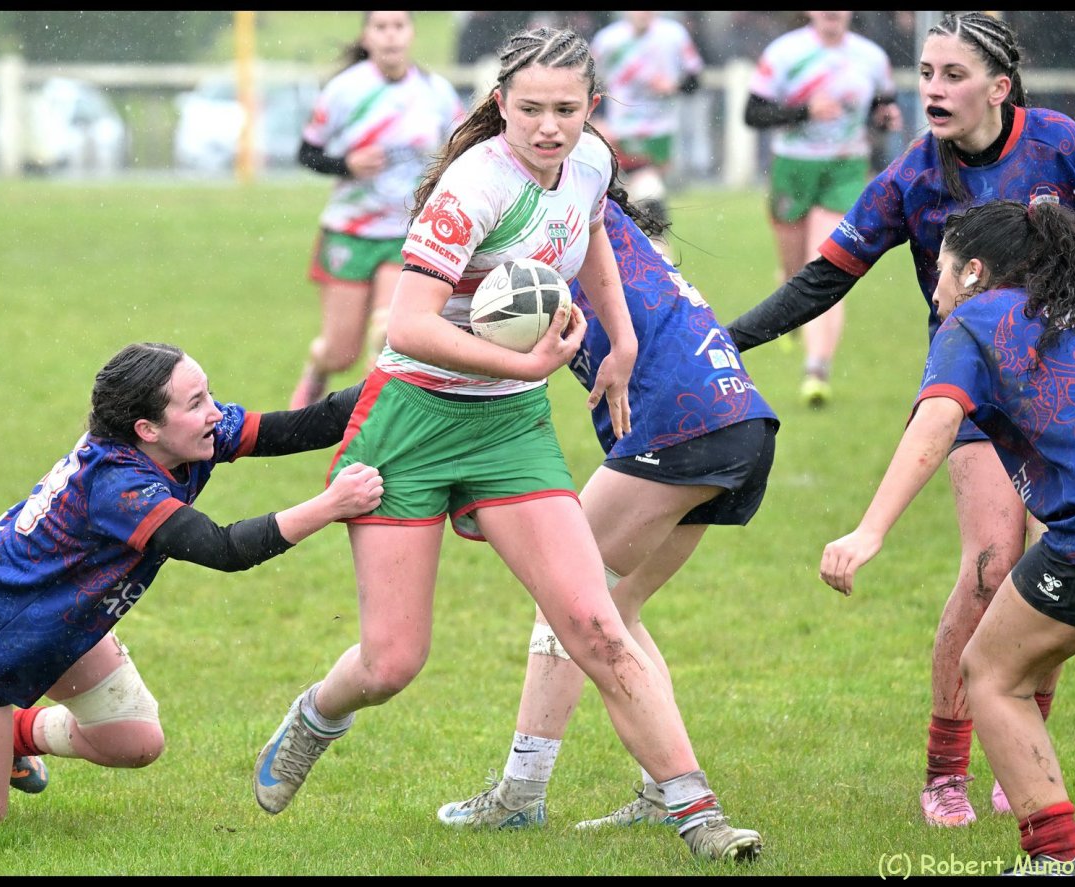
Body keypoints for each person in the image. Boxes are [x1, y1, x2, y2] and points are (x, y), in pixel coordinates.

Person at [252, 27, 762, 863]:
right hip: (411, 421)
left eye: (566, 109)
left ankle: (696, 813)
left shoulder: (592, 159)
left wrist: (621, 338)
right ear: (499, 105)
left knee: (594, 621)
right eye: (529, 109)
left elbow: (593, 233)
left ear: (591, 107)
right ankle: (315, 716)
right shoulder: (473, 188)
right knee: (391, 661)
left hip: (510, 428)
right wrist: (522, 360)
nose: (549, 127)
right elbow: (408, 325)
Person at [723, 11, 1075, 828]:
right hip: (969, 387)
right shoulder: (912, 178)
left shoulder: (1061, 143)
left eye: (951, 76)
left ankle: (1020, 745)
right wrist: (727, 339)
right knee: (992, 563)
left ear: (998, 87)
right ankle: (945, 770)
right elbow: (822, 278)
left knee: (1055, 548)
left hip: (1065, 381)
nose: (932, 89)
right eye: (923, 73)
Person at [0, 342, 384, 830]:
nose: (215, 413)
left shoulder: (180, 439)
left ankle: (12, 735)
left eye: (208, 394)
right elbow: (223, 550)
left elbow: (312, 423)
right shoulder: (118, 486)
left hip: (60, 624)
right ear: (146, 429)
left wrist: (404, 374)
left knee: (136, 744)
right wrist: (330, 505)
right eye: (196, 403)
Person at [434, 196, 779, 832]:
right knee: (617, 607)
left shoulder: (551, 223)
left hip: (680, 423)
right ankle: (658, 791)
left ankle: (519, 795)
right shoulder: (596, 228)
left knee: (566, 599)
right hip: (741, 420)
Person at [820, 199, 1075, 875]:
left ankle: (1054, 858)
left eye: (935, 269)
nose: (931, 286)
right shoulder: (1071, 306)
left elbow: (937, 420)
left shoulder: (970, 321)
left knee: (991, 673)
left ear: (970, 271)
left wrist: (869, 529)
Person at [288, 11, 464, 410]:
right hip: (349, 231)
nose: (390, 36)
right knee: (340, 352)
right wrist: (346, 164)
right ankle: (317, 368)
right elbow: (306, 153)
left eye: (398, 26)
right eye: (381, 27)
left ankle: (369, 430)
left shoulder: (436, 93)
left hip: (405, 234)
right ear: (366, 35)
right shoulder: (344, 90)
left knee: (387, 334)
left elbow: (460, 152)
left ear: (411, 33)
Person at [744, 11, 902, 408]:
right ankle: (792, 310)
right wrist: (803, 112)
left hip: (846, 167)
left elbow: (882, 109)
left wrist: (885, 119)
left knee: (827, 263)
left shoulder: (871, 57)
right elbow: (753, 114)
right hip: (793, 167)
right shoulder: (785, 52)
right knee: (796, 272)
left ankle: (817, 369)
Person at [589, 12, 704, 228]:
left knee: (645, 196)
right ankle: (651, 244)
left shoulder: (673, 35)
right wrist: (596, 119)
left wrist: (674, 86)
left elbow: (695, 80)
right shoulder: (608, 40)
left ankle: (648, 244)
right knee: (645, 196)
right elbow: (587, 81)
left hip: (660, 132)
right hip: (620, 132)